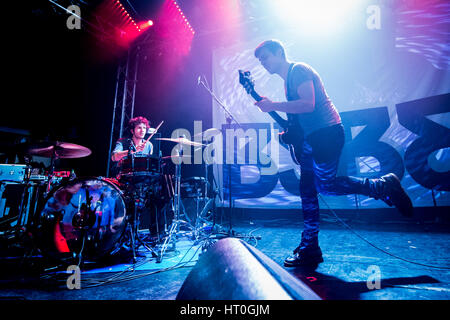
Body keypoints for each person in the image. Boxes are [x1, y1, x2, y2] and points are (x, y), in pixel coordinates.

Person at [253, 40, 413, 268]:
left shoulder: (298, 70)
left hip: (327, 135)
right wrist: (286, 133)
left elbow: (308, 104)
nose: (263, 63)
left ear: (280, 53)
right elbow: (300, 117)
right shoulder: (288, 80)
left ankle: (383, 186)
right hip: (313, 138)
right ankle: (310, 248)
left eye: (266, 57)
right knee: (307, 190)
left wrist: (273, 106)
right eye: (260, 60)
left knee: (325, 186)